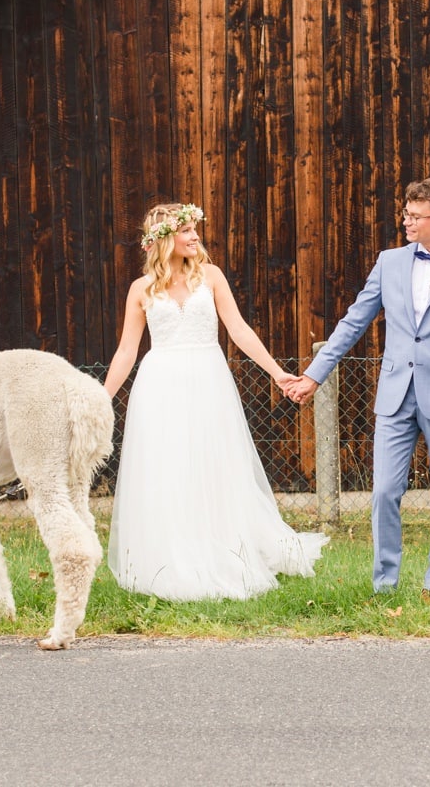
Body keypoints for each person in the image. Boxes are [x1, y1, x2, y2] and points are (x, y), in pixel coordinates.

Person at [285, 178, 430, 598]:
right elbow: (352, 322)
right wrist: (313, 375)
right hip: (396, 394)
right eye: (406, 214)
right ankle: (384, 585)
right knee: (383, 491)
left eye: (415, 216)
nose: (406, 222)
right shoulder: (389, 262)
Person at [105, 202, 328, 601]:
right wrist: (102, 398)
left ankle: (225, 548)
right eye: (186, 230)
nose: (195, 237)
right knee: (169, 468)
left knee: (213, 463)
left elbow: (238, 329)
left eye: (195, 229)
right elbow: (126, 351)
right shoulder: (141, 290)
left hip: (208, 380)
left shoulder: (210, 277)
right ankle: (172, 555)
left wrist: (277, 373)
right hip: (160, 386)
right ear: (161, 239)